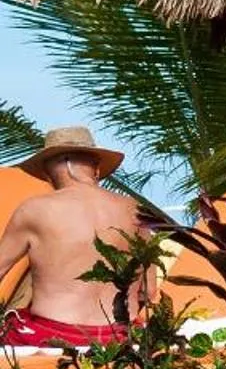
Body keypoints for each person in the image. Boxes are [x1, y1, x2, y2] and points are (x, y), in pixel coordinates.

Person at [0, 126, 143, 352]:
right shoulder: (135, 210)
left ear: (48, 172)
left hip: (53, 336)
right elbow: (147, 292)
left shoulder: (34, 210)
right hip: (122, 337)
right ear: (96, 168)